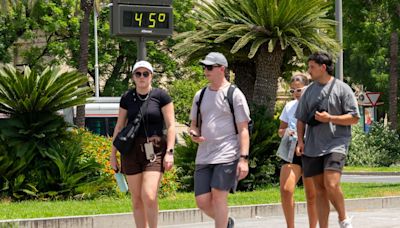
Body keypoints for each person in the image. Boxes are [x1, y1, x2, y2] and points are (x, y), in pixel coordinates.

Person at [295, 52, 360, 228]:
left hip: (336, 144)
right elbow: (300, 119)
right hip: (313, 146)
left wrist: (330, 118)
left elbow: (354, 118)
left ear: (323, 67)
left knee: (331, 184)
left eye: (312, 67)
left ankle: (343, 219)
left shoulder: (342, 88)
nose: (309, 71)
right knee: (319, 191)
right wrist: (300, 142)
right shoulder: (308, 92)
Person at [189, 52, 251, 228]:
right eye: (204, 67)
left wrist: (243, 159)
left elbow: (243, 129)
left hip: (227, 153)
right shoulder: (199, 95)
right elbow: (193, 125)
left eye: (209, 67)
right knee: (201, 201)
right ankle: (226, 223)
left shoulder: (234, 94)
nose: (205, 71)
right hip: (204, 155)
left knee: (218, 196)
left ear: (222, 69)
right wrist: (193, 134)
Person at [110, 60, 175, 228]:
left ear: (151, 76)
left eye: (145, 73)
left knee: (149, 195)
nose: (142, 77)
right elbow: (119, 126)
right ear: (133, 77)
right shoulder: (127, 97)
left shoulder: (161, 96)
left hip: (153, 149)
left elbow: (171, 126)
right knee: (137, 199)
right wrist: (112, 155)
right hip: (130, 151)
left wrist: (170, 152)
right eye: (138, 74)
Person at [277, 74, 317, 228]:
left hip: (311, 151)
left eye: (299, 90)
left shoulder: (316, 105)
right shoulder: (289, 106)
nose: (295, 94)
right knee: (286, 190)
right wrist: (287, 131)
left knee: (311, 195)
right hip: (292, 149)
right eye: (292, 91)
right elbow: (280, 130)